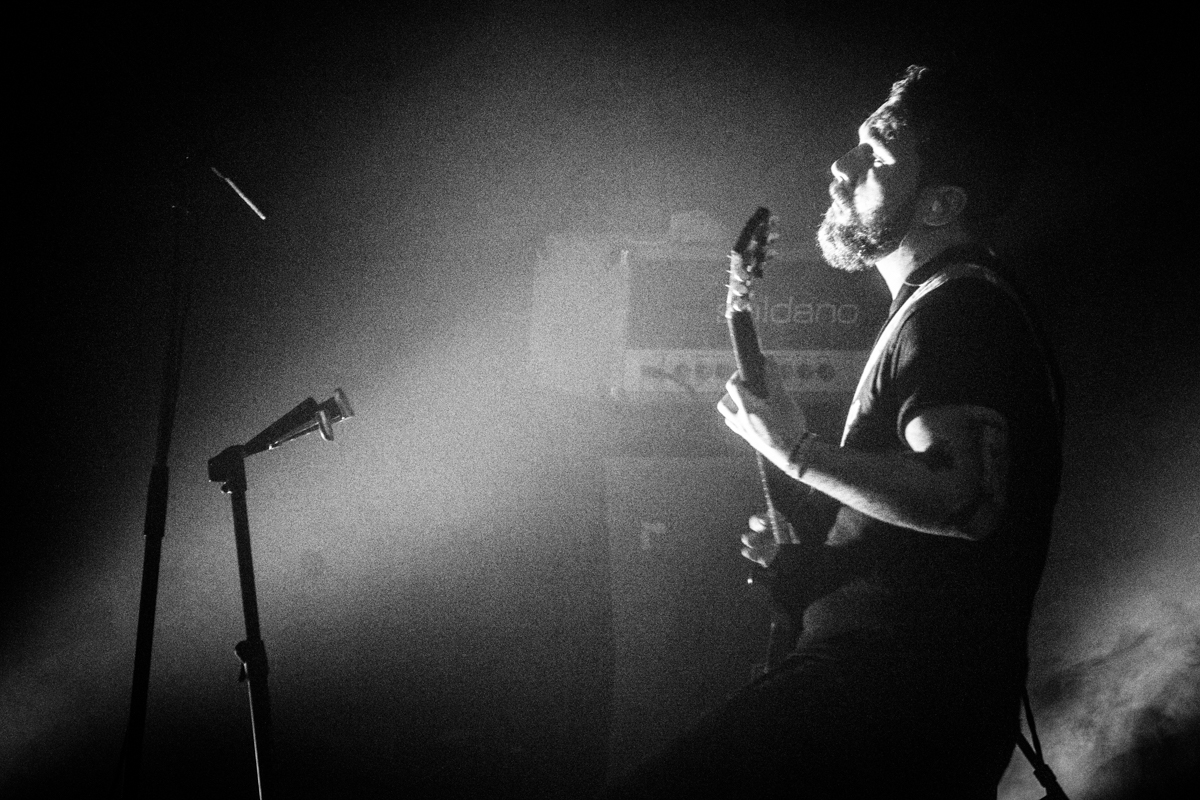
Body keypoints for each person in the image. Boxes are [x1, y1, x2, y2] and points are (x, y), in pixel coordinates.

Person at [605, 64, 1063, 798]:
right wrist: (812, 562)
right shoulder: (938, 309)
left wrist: (796, 450)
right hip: (895, 706)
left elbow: (966, 498)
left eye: (875, 154)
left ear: (941, 202)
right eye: (855, 144)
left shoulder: (960, 311)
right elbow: (919, 550)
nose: (840, 167)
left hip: (883, 703)